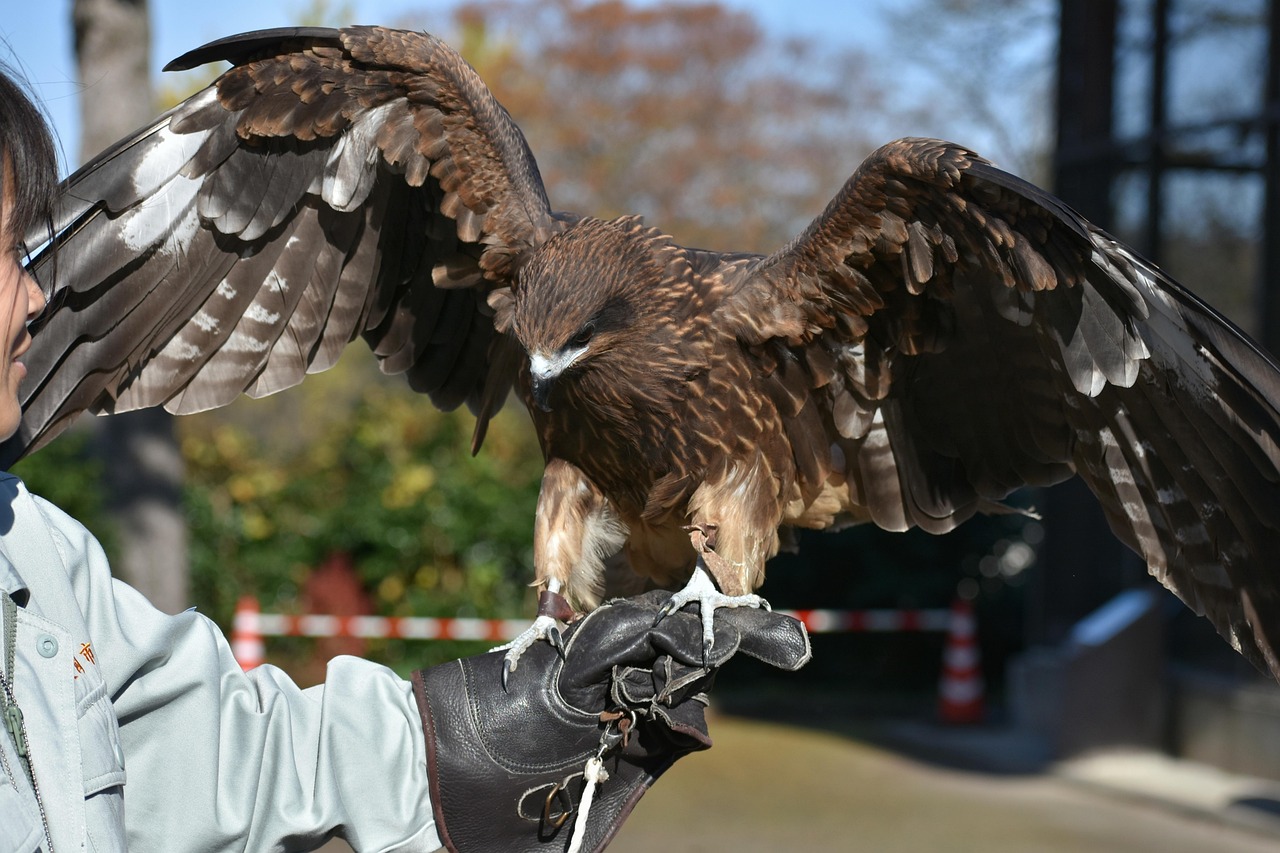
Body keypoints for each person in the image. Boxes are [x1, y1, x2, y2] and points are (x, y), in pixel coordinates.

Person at [0, 66, 809, 853]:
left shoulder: (35, 567)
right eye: (8, 253)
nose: (36, 293)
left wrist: (516, 726)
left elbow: (243, 764)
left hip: (707, 515)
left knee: (312, 87)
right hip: (595, 510)